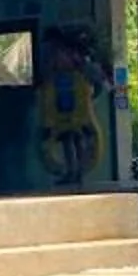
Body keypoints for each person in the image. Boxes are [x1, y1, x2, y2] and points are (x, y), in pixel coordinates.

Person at [39, 32, 103, 185]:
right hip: (63, 103)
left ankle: (76, 171)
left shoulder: (72, 59)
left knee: (74, 137)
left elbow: (92, 80)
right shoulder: (63, 60)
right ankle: (74, 171)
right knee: (69, 137)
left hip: (72, 103)